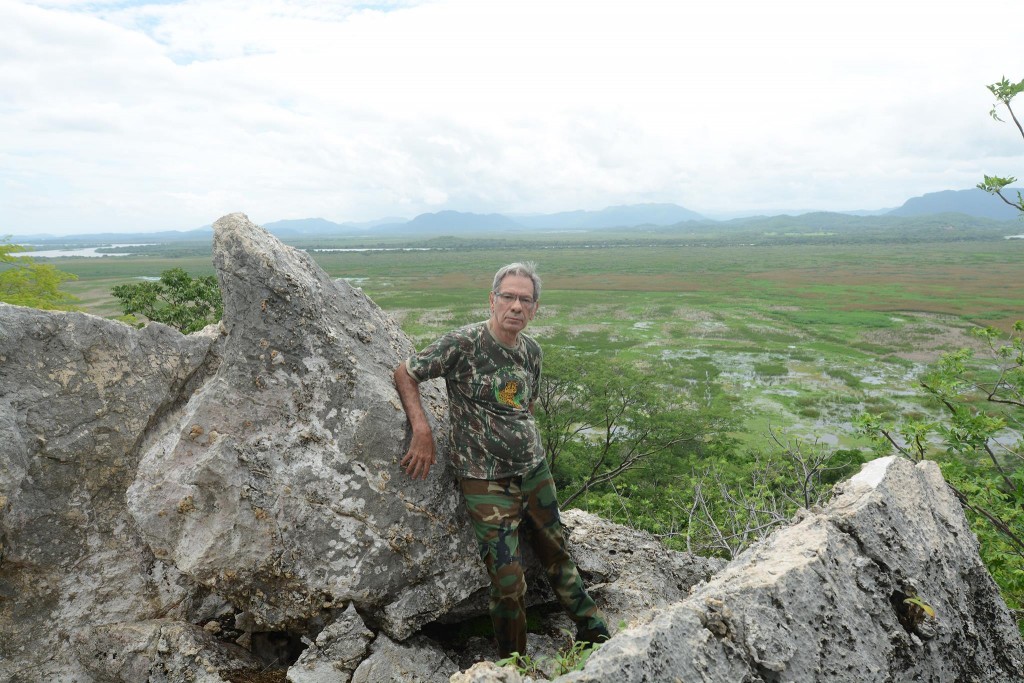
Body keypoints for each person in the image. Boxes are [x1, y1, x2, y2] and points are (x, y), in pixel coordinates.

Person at [393, 261, 610, 658]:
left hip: (534, 471)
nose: (516, 306)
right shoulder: (463, 344)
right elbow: (407, 372)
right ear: (491, 300)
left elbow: (525, 405)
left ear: (535, 308)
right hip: (485, 480)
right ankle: (515, 663)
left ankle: (596, 635)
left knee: (558, 555)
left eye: (525, 300)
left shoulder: (532, 352)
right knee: (509, 583)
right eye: (508, 297)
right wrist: (421, 428)